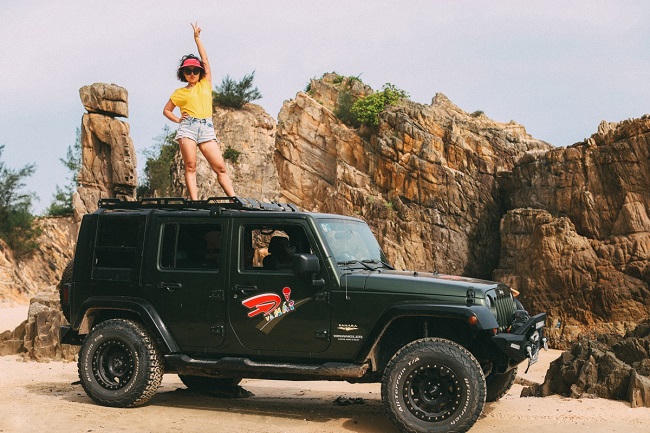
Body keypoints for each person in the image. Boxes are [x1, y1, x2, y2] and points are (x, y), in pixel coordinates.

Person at [163, 22, 235, 199]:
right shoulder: (179, 93)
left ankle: (234, 199)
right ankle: (195, 201)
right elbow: (166, 110)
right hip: (188, 128)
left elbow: (206, 61)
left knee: (220, 167)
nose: (192, 74)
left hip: (206, 128)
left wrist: (197, 38)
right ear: (183, 73)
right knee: (190, 166)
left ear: (200, 72)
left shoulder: (205, 83)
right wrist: (178, 120)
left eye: (195, 70)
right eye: (188, 71)